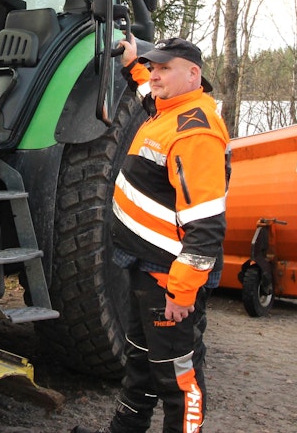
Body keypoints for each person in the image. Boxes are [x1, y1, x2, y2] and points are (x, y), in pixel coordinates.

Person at [74, 36, 230, 433]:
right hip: (146, 267)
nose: (156, 76)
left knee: (179, 378)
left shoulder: (196, 131)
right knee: (141, 363)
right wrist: (132, 63)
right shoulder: (166, 109)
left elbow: (207, 225)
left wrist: (182, 292)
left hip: (169, 276)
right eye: (154, 68)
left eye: (165, 68)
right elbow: (147, 91)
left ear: (194, 74)